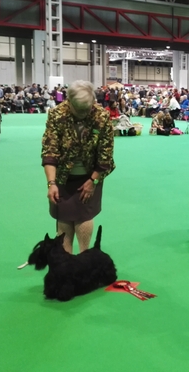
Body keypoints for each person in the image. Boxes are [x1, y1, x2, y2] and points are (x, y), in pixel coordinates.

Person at [41, 80, 115, 254]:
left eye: (86, 109)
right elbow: (49, 151)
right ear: (69, 102)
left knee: (84, 215)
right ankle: (65, 262)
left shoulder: (102, 117)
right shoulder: (57, 115)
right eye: (79, 109)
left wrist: (93, 181)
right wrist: (51, 183)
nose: (83, 114)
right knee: (64, 217)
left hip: (90, 175)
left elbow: (106, 156)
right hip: (62, 177)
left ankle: (84, 258)